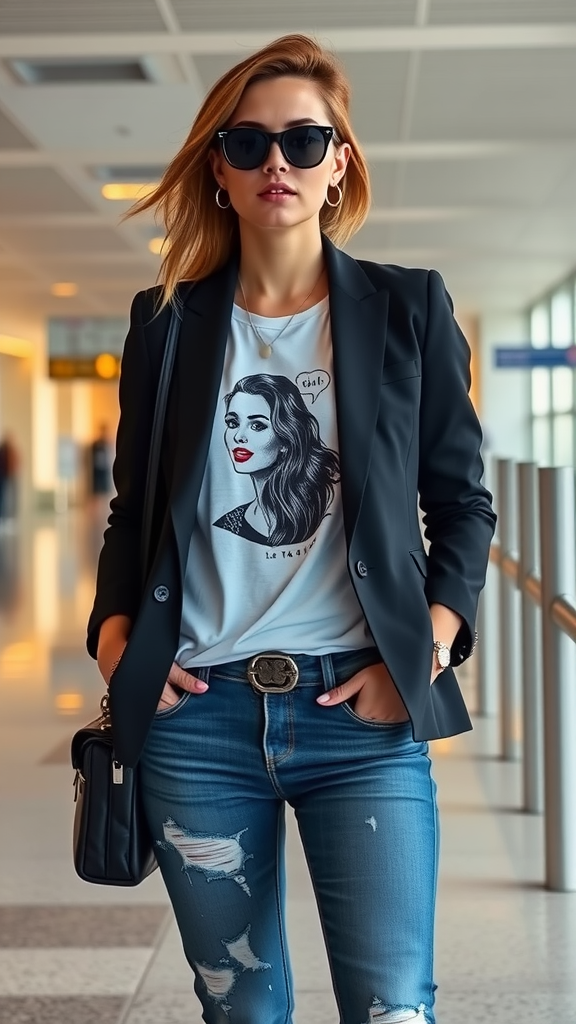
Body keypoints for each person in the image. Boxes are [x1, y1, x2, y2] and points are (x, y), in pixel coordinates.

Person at [88, 34, 496, 1024]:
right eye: (251, 141)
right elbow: (134, 508)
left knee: (394, 1005)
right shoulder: (167, 324)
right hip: (200, 720)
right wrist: (110, 640)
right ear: (218, 169)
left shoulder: (407, 308)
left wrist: (431, 646)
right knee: (242, 1004)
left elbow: (463, 500)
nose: (280, 161)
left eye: (307, 141)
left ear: (340, 163)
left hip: (361, 715)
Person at [215, 372, 339, 545]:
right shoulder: (229, 524)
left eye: (257, 425)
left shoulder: (329, 509)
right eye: (233, 423)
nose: (239, 436)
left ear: (286, 440)